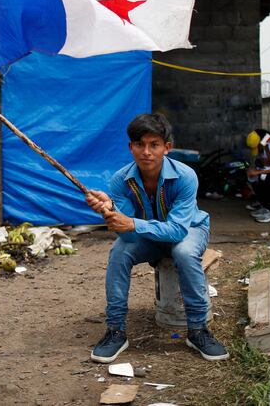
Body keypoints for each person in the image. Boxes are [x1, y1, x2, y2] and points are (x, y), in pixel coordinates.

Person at [84, 113, 229, 363]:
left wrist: (131, 223)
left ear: (167, 148)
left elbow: (176, 231)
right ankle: (115, 330)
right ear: (131, 147)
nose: (146, 152)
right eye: (140, 144)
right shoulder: (120, 180)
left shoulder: (185, 176)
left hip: (189, 230)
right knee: (119, 253)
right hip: (147, 233)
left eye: (154, 145)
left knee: (183, 252)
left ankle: (197, 330)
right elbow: (126, 234)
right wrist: (110, 210)